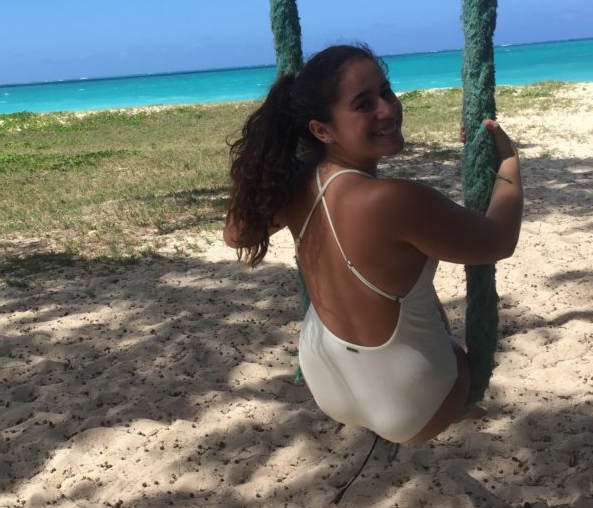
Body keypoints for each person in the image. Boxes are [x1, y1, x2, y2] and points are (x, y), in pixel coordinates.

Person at [224, 44, 523, 445]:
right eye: (364, 104)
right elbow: (499, 240)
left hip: (326, 382)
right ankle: (454, 407)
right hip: (411, 408)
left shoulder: (296, 182)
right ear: (321, 129)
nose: (387, 109)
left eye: (386, 91)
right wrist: (508, 164)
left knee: (412, 288)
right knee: (425, 303)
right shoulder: (396, 200)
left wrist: (279, 165)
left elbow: (236, 235)